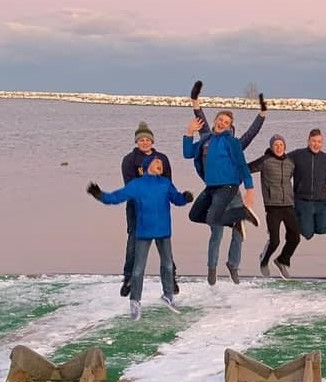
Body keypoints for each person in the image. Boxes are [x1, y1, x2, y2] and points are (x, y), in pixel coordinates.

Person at [87, 156, 193, 320]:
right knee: (137, 270)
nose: (160, 165)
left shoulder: (165, 183)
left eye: (161, 163)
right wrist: (100, 195)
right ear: (147, 166)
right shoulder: (137, 185)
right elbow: (116, 197)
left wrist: (185, 197)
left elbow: (176, 199)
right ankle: (135, 301)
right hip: (144, 231)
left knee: (168, 266)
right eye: (156, 163)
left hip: (164, 230)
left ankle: (168, 295)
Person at [186, 80, 267, 282]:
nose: (222, 123)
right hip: (213, 189)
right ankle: (212, 268)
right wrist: (195, 98)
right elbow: (199, 117)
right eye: (220, 120)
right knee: (215, 230)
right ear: (215, 121)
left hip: (231, 191)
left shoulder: (235, 143)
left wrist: (262, 114)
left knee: (237, 231)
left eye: (226, 122)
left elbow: (252, 133)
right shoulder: (206, 137)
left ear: (230, 128)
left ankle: (233, 264)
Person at [119, 121, 180, 297]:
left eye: (147, 139)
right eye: (141, 140)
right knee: (133, 244)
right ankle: (129, 278)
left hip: (159, 211)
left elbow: (167, 183)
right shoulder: (129, 160)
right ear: (136, 142)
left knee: (165, 247)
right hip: (136, 211)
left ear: (152, 141)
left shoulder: (162, 159)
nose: (145, 142)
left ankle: (171, 278)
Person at [247, 134, 299, 279]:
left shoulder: (290, 162)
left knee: (295, 237)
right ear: (271, 147)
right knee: (275, 241)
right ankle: (264, 260)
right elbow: (247, 169)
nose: (278, 147)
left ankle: (282, 260)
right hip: (272, 206)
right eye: (276, 145)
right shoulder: (265, 161)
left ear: (285, 147)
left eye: (281, 145)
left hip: (288, 204)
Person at [288, 128, 326, 252]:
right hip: (302, 200)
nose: (316, 144)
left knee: (324, 228)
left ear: (322, 143)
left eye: (319, 141)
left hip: (321, 201)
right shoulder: (297, 155)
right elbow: (281, 161)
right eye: (313, 141)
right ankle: (299, 219)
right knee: (307, 234)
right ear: (308, 141)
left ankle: (314, 220)